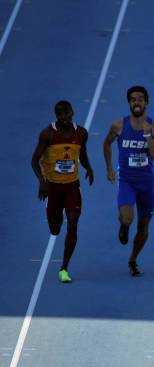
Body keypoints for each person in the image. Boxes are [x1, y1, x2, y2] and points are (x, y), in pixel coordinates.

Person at [31, 101, 94, 283]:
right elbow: (34, 160)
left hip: (72, 187)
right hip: (53, 188)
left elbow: (82, 154)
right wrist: (42, 181)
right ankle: (54, 216)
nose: (64, 118)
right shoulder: (48, 134)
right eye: (60, 115)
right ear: (56, 116)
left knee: (73, 223)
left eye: (67, 113)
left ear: (72, 112)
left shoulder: (81, 133)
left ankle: (64, 268)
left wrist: (89, 168)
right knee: (55, 228)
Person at [103, 86, 154, 276]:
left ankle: (133, 259)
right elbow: (106, 144)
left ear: (146, 103)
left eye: (140, 99)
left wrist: (147, 136)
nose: (137, 102)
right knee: (128, 217)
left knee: (144, 226)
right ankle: (123, 225)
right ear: (129, 103)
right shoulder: (119, 125)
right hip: (127, 180)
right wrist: (110, 169)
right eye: (133, 99)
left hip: (146, 183)